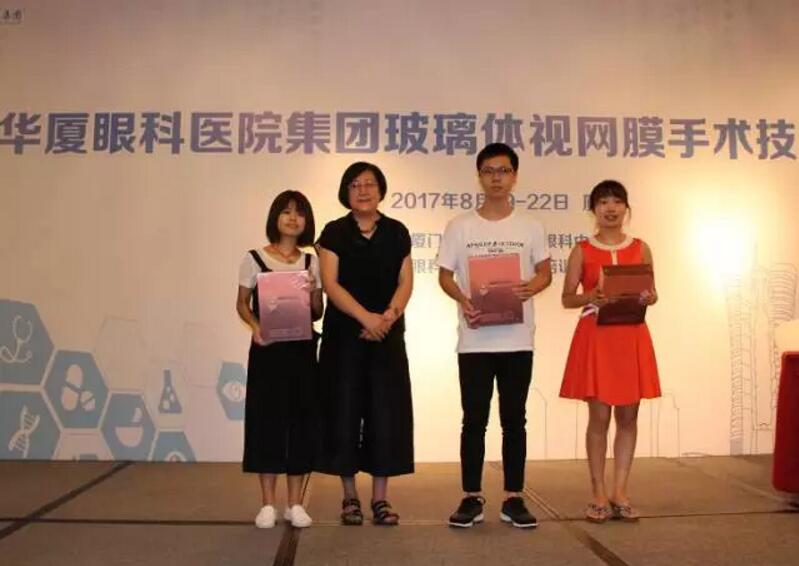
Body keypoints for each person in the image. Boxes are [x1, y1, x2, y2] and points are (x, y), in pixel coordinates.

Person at [437, 142, 551, 529]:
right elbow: (445, 276)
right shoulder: (460, 226)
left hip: (518, 338)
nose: (496, 178)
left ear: (515, 176)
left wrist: (532, 287)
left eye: (503, 171)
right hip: (475, 340)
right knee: (473, 420)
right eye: (489, 171)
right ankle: (471, 496)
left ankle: (513, 497)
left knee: (514, 420)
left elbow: (545, 272)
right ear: (479, 177)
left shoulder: (531, 226)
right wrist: (463, 299)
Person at [316, 161, 414, 526]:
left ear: (381, 190)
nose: (363, 190)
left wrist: (388, 316)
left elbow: (406, 281)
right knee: (343, 412)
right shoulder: (334, 232)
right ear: (346, 192)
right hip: (344, 338)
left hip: (387, 337)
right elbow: (331, 283)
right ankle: (349, 497)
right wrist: (366, 318)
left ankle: (380, 499)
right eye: (355, 184)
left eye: (370, 184)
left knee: (385, 413)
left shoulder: (397, 231)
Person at [559, 179, 660, 523]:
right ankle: (598, 493)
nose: (611, 208)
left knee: (628, 418)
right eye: (603, 202)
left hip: (631, 335)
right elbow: (567, 298)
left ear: (626, 208)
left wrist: (650, 297)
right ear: (594, 210)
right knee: (599, 419)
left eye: (617, 201)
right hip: (597, 337)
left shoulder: (641, 248)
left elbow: (652, 292)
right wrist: (591, 297)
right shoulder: (582, 250)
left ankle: (621, 492)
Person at [236, 190, 323, 529]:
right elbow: (242, 304)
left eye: (299, 213)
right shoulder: (254, 258)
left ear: (306, 221)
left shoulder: (311, 262)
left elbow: (317, 311)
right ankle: (267, 504)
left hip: (301, 351)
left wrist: (313, 290)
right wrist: (256, 327)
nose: (292, 218)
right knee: (266, 421)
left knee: (301, 421)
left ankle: (295, 504)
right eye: (286, 212)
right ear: (275, 217)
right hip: (268, 351)